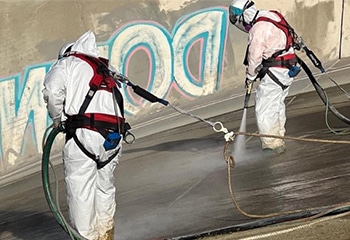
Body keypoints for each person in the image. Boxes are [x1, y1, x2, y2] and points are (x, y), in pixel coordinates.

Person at [43, 30, 129, 240]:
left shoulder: (67, 63)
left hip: (84, 136)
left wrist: (57, 119)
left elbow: (52, 91)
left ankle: (86, 238)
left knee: (81, 192)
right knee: (104, 189)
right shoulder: (106, 67)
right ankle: (107, 234)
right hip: (113, 137)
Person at [229, 0, 300, 154]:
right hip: (288, 66)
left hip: (276, 70)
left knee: (265, 107)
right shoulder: (271, 15)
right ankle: (278, 137)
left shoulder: (258, 29)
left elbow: (254, 57)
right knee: (276, 104)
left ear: (243, 16)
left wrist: (250, 77)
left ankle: (271, 145)